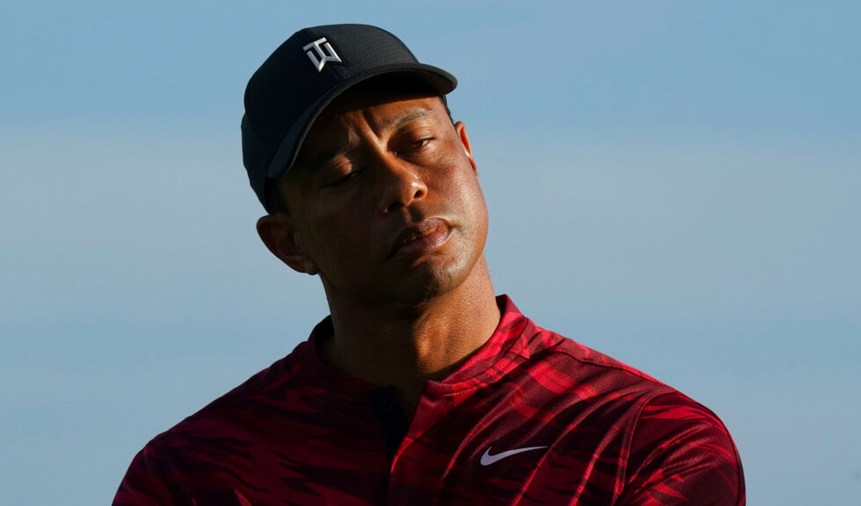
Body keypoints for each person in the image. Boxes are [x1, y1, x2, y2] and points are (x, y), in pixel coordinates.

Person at [114, 24, 745, 505]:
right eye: (343, 174)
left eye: (418, 143)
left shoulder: (647, 440)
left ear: (467, 153)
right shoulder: (193, 476)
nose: (400, 186)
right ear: (288, 244)